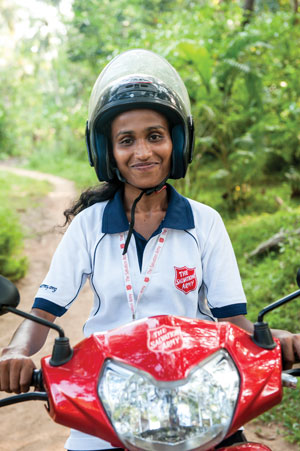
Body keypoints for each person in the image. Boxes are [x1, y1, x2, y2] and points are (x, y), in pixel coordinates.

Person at [0, 49, 300, 451]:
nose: (142, 152)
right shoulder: (89, 227)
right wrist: (16, 352)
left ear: (176, 142)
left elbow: (236, 325)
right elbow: (41, 314)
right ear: (108, 152)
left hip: (198, 395)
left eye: (155, 136)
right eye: (127, 140)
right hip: (107, 395)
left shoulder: (205, 222)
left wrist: (280, 338)